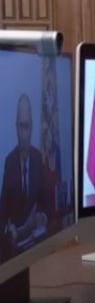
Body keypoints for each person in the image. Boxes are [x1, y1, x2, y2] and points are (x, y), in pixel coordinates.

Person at [0, 94, 48, 261]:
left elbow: (45, 202)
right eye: (21, 126)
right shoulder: (9, 162)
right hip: (17, 247)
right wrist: (9, 229)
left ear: (32, 128)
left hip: (36, 245)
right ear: (16, 128)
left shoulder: (38, 158)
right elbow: (2, 211)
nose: (24, 134)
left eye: (27, 127)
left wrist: (41, 217)